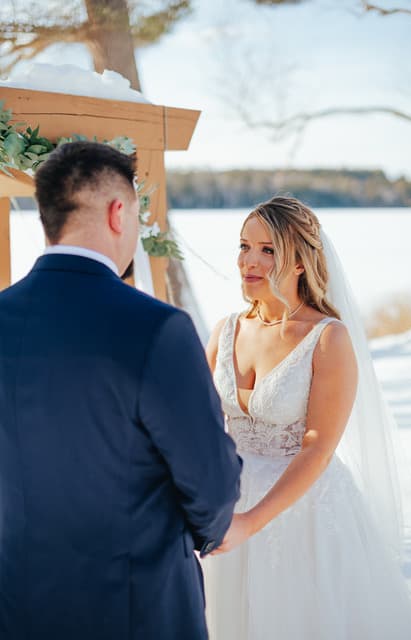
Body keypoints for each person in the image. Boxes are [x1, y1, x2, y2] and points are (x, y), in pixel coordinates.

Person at [0, 141, 242, 640]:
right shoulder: (159, 329)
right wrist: (211, 533)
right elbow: (213, 485)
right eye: (135, 213)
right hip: (136, 609)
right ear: (118, 213)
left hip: (17, 604)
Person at [202, 195, 411, 639]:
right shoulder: (226, 329)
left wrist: (252, 521)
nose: (250, 260)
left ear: (299, 261)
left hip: (304, 517)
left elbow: (319, 447)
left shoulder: (327, 339)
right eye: (244, 246)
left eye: (268, 250)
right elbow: (198, 424)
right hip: (227, 504)